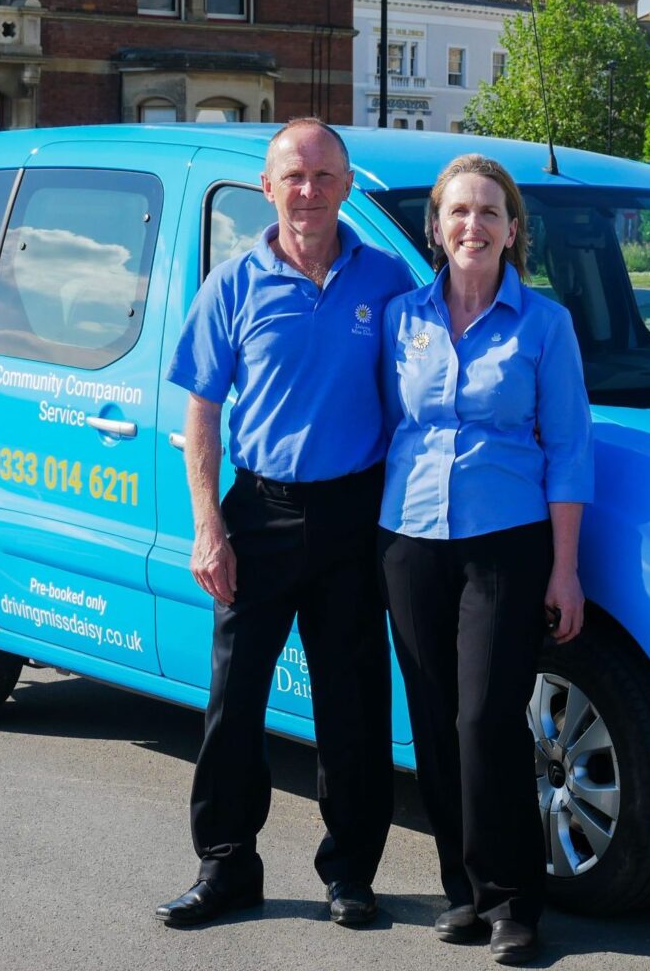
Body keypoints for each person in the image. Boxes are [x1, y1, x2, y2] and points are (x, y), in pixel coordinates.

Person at [156, 118, 415, 929]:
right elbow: (200, 412)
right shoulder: (232, 284)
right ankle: (227, 867)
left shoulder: (387, 281)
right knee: (235, 704)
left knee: (353, 703)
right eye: (292, 176)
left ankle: (351, 875)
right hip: (258, 514)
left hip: (353, 513)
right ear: (268, 187)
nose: (307, 190)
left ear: (346, 186)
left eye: (322, 176)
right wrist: (208, 527)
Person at [378, 154, 593, 964]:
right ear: (436, 227)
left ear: (513, 231)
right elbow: (382, 427)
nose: (473, 225)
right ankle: (461, 891)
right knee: (433, 716)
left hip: (506, 543)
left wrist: (564, 568)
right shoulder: (403, 319)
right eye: (458, 211)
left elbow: (570, 450)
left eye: (489, 212)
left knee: (486, 720)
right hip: (408, 540)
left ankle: (514, 901)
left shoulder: (545, 326)